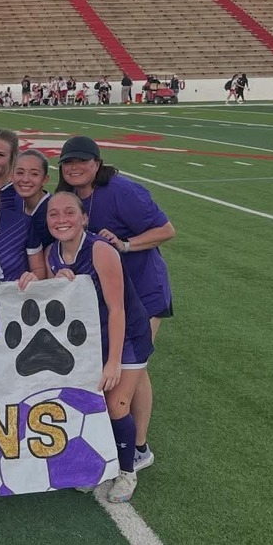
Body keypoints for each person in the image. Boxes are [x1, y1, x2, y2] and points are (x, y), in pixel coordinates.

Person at [55, 136, 174, 471]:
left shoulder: (122, 190)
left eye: (82, 161)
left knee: (134, 369)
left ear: (98, 162)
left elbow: (166, 229)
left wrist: (125, 244)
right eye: (68, 162)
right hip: (107, 297)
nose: (75, 167)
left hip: (143, 292)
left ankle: (139, 447)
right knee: (120, 368)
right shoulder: (72, 197)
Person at [39, 191, 155, 502]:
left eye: (69, 213)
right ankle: (98, 466)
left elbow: (117, 309)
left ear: (84, 218)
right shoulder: (52, 254)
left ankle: (128, 471)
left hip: (127, 334)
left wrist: (113, 361)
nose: (61, 219)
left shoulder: (101, 251)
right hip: (90, 338)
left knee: (117, 405)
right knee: (91, 401)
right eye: (53, 214)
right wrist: (59, 282)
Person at [12, 150, 54, 249]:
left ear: (45, 179)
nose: (25, 179)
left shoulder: (54, 209)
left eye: (34, 174)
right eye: (20, 173)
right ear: (12, 176)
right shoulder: (17, 199)